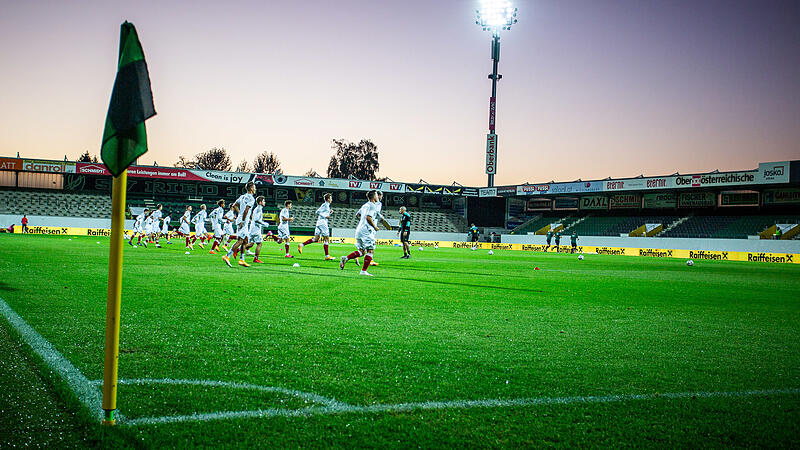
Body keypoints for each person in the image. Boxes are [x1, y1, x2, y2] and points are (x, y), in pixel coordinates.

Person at [340, 190, 379, 276]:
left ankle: (345, 258)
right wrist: (374, 227)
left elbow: (357, 215)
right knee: (370, 250)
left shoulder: (365, 205)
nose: (378, 197)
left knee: (362, 251)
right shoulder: (372, 206)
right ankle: (363, 271)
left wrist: (362, 221)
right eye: (376, 195)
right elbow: (369, 218)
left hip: (359, 229)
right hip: (366, 231)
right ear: (373, 197)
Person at [223, 181, 257, 267]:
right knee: (241, 240)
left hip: (241, 219)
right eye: (254, 187)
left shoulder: (242, 197)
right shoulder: (251, 199)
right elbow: (246, 210)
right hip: (243, 221)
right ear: (251, 188)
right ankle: (227, 256)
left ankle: (242, 259)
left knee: (245, 240)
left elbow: (235, 205)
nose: (255, 188)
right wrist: (243, 219)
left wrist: (240, 214)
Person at [298, 193, 335, 260]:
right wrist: (325, 216)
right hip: (322, 223)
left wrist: (330, 212)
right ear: (328, 199)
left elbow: (325, 214)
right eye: (331, 198)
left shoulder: (327, 206)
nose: (331, 199)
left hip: (319, 223)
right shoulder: (325, 205)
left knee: (316, 239)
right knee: (326, 238)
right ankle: (327, 256)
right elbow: (317, 212)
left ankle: (302, 245)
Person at [246, 196, 267, 263]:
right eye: (263, 201)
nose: (264, 202)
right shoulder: (258, 209)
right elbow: (256, 219)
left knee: (251, 244)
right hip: (256, 229)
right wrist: (263, 223)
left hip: (252, 228)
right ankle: (256, 259)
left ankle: (237, 249)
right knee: (259, 244)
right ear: (260, 202)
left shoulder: (257, 208)